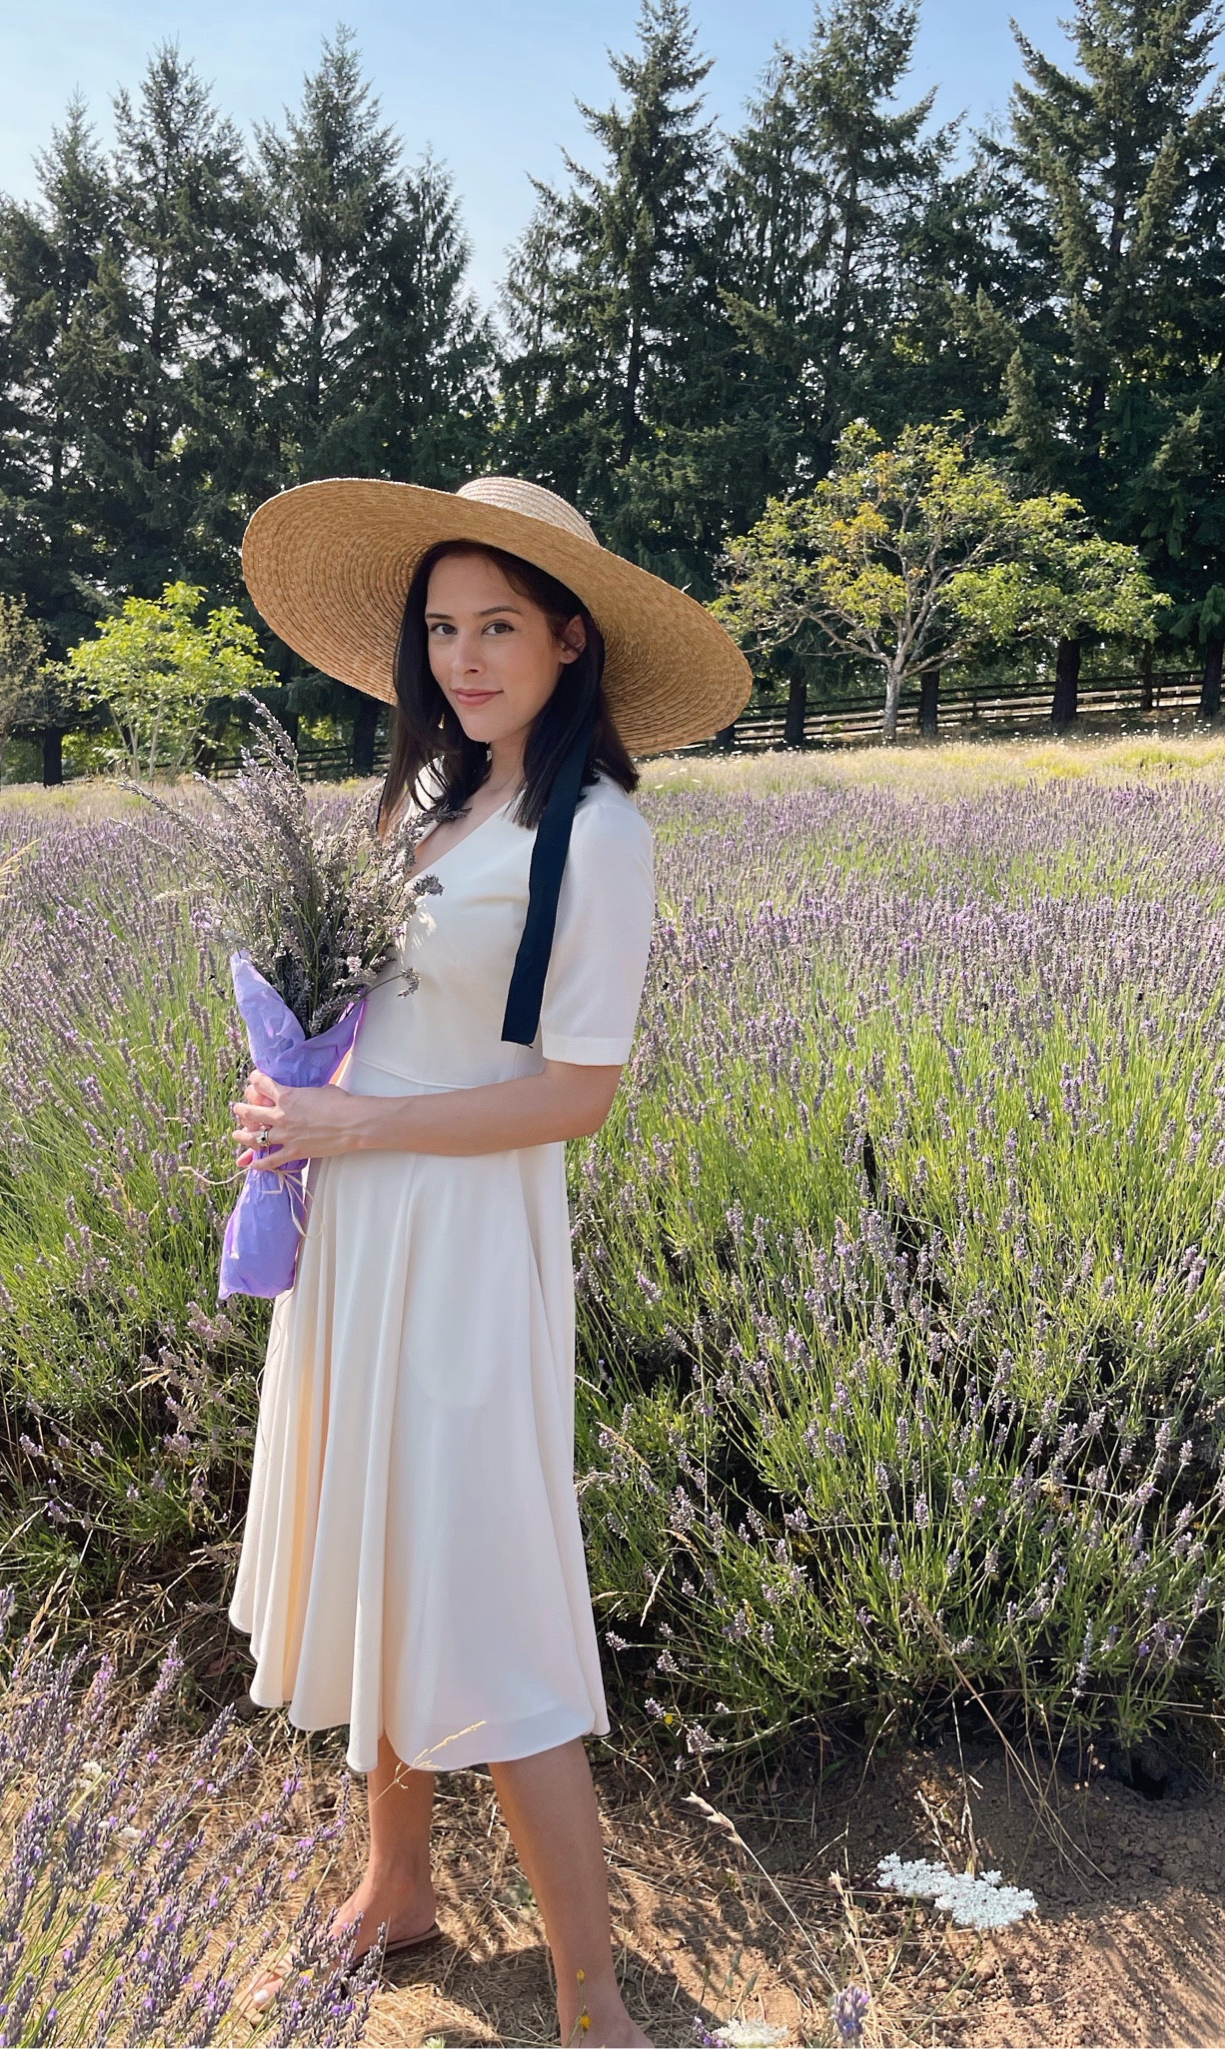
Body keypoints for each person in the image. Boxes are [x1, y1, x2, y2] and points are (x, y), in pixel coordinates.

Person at [226, 475, 750, 2047]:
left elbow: (577, 1094)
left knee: (487, 1585)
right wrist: (296, 1096)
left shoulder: (595, 830)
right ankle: (395, 1887)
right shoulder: (422, 805)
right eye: (444, 627)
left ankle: (593, 1998)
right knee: (384, 1557)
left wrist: (361, 1122)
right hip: (360, 1231)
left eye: (499, 625)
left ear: (571, 638)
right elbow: (387, 1021)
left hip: (460, 1246)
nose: (464, 656)